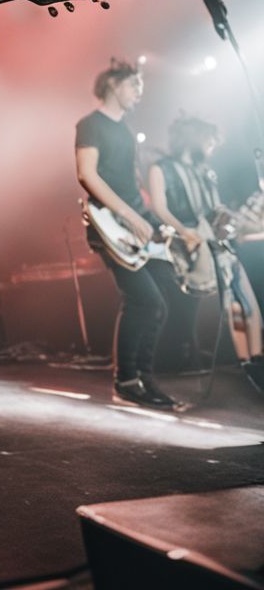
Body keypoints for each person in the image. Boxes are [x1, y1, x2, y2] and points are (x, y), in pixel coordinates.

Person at [75, 59, 182, 410]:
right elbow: (88, 175)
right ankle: (128, 380)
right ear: (113, 85)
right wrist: (128, 215)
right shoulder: (90, 125)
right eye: (134, 85)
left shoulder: (125, 129)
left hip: (134, 220)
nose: (139, 92)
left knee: (158, 298)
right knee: (146, 300)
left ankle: (141, 378)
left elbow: (129, 180)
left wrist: (149, 216)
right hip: (109, 224)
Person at [148, 115, 264, 381]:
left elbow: (215, 208)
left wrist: (228, 220)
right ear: (196, 138)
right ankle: (183, 360)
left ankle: (251, 360)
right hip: (184, 245)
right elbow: (159, 207)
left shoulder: (206, 172)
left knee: (241, 301)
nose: (213, 146)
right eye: (210, 140)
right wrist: (186, 232)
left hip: (216, 242)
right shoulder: (161, 168)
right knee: (186, 309)